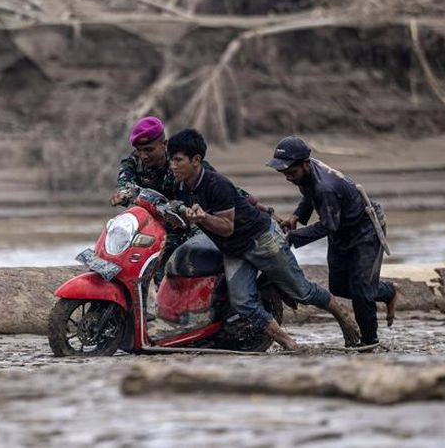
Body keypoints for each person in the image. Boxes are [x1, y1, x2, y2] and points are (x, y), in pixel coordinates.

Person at [167, 128, 361, 350]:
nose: (173, 165)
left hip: (262, 240)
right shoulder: (179, 186)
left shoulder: (215, 184)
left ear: (196, 160)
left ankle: (342, 314)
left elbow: (227, 227)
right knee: (242, 303)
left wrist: (202, 218)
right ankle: (289, 343)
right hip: (234, 250)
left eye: (178, 160)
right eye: (171, 159)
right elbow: (185, 220)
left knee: (302, 291)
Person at [268, 135, 399, 347]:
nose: (288, 178)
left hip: (364, 231)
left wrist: (293, 236)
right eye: (284, 174)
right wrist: (296, 216)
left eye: (291, 173)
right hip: (341, 229)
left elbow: (328, 226)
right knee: (338, 287)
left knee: (361, 291)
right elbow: (310, 196)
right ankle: (388, 291)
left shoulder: (326, 187)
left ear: (305, 164)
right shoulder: (307, 175)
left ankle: (368, 343)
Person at [109, 116, 197, 283]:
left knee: (171, 277)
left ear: (164, 145)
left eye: (149, 150)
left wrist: (249, 202)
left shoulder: (180, 162)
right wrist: (121, 194)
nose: (143, 155)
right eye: (139, 150)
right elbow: (125, 184)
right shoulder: (132, 161)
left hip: (186, 228)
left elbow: (214, 182)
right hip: (149, 230)